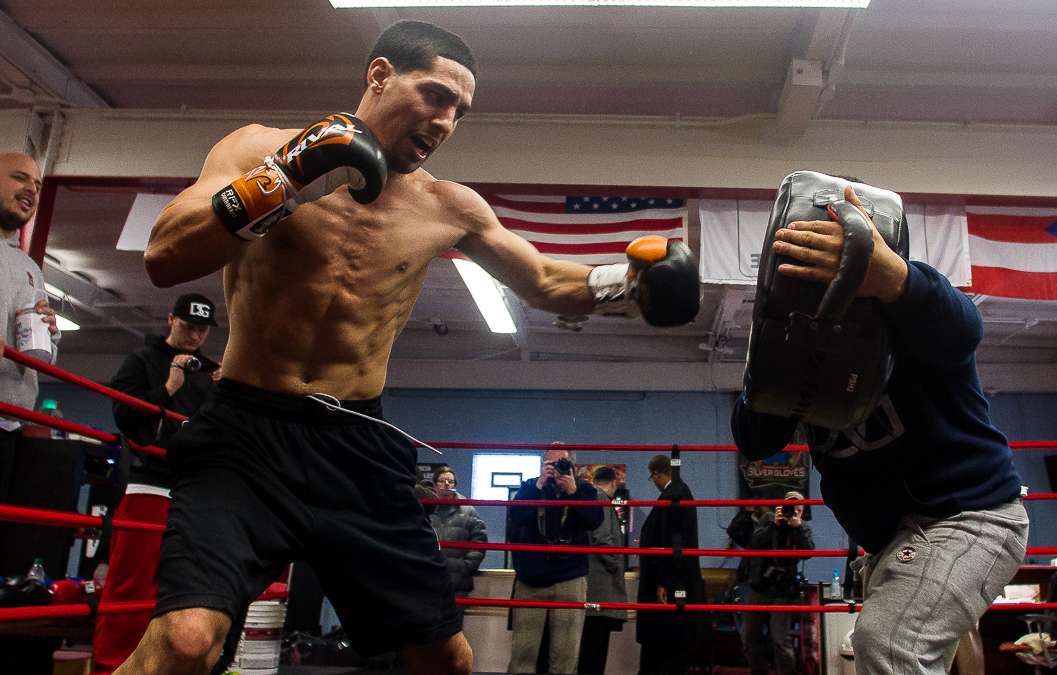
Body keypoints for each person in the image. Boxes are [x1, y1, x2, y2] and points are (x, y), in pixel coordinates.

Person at [115, 20, 699, 675]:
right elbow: (165, 253)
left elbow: (542, 277)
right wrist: (286, 178)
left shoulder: (450, 206)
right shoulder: (258, 147)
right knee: (186, 641)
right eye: (437, 95)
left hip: (357, 444)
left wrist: (634, 281)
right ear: (380, 75)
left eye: (461, 110)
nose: (447, 120)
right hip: (245, 433)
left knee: (446, 658)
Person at [731, 184, 1028, 675]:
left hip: (968, 518)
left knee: (889, 646)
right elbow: (754, 439)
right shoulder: (794, 340)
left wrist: (891, 277)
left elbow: (964, 328)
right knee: (928, 653)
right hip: (893, 539)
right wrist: (771, 357)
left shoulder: (911, 310)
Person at [91, 293, 220, 675]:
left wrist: (226, 392)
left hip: (194, 491)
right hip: (150, 486)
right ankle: (110, 666)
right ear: (170, 320)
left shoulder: (211, 372)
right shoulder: (142, 360)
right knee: (131, 583)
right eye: (188, 325)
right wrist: (167, 388)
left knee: (182, 590)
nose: (195, 335)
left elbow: (221, 433)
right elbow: (127, 419)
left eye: (201, 329)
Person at [0, 151, 59, 541]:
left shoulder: (29, 266)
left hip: (9, 421)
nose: (31, 191)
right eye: (20, 178)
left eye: (37, 185)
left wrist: (49, 332)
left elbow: (40, 356)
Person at [507, 447, 603, 674]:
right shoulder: (532, 486)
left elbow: (595, 521)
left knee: (565, 659)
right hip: (532, 579)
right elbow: (516, 517)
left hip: (570, 579)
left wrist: (573, 493)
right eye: (549, 464)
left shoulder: (584, 490)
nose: (555, 469)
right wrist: (539, 484)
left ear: (573, 467)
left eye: (561, 464)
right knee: (523, 655)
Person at [725, 492, 813, 675]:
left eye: (798, 509)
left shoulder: (802, 527)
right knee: (749, 636)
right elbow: (754, 543)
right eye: (790, 507)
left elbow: (808, 551)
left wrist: (796, 528)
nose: (793, 511)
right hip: (760, 587)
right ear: (781, 506)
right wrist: (775, 525)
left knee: (780, 639)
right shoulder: (769, 519)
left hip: (783, 590)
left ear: (802, 510)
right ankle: (759, 671)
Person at [636, 454, 706, 675]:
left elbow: (673, 542)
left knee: (666, 640)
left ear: (656, 473)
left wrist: (664, 581)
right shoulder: (679, 492)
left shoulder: (674, 495)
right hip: (675, 578)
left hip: (670, 580)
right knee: (668, 640)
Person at [578, 465, 628, 675]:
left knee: (590, 648)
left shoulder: (592, 498)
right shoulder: (601, 500)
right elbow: (603, 540)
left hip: (593, 585)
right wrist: (617, 565)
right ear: (615, 482)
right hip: (601, 587)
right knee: (595, 651)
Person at [428, 466, 487, 596]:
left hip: (458, 585)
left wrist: (465, 567)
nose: (447, 484)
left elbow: (480, 541)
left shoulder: (468, 510)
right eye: (442, 481)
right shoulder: (425, 509)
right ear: (435, 484)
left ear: (455, 485)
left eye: (451, 481)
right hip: (427, 582)